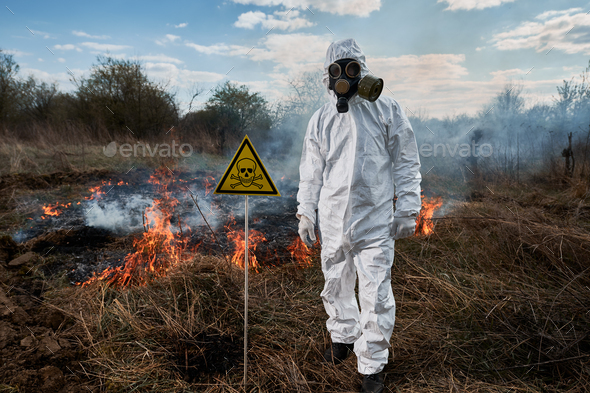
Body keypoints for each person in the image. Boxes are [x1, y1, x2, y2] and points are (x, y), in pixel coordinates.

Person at [296, 38, 422, 393]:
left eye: (352, 69)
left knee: (376, 293)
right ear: (328, 76)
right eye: (338, 70)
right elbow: (311, 170)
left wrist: (408, 207)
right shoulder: (321, 119)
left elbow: (406, 160)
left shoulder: (386, 109)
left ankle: (371, 366)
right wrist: (306, 212)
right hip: (333, 220)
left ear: (362, 71)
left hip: (375, 220)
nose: (345, 78)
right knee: (334, 283)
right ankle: (343, 338)